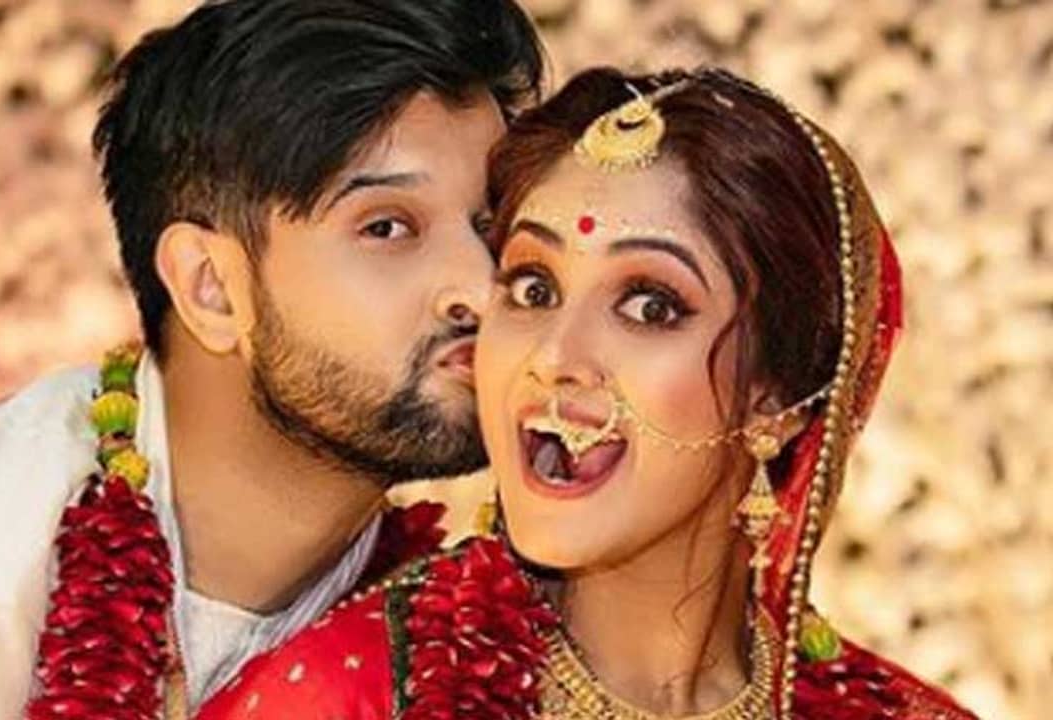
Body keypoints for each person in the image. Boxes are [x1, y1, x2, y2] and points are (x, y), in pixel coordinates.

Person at [0, 2, 543, 717]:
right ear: (211, 287)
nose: (482, 287)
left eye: (491, 226)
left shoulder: (475, 640)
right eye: (387, 227)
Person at [191, 67, 979, 720]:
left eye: (649, 306)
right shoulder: (347, 696)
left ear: (776, 402)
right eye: (532, 288)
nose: (555, 357)